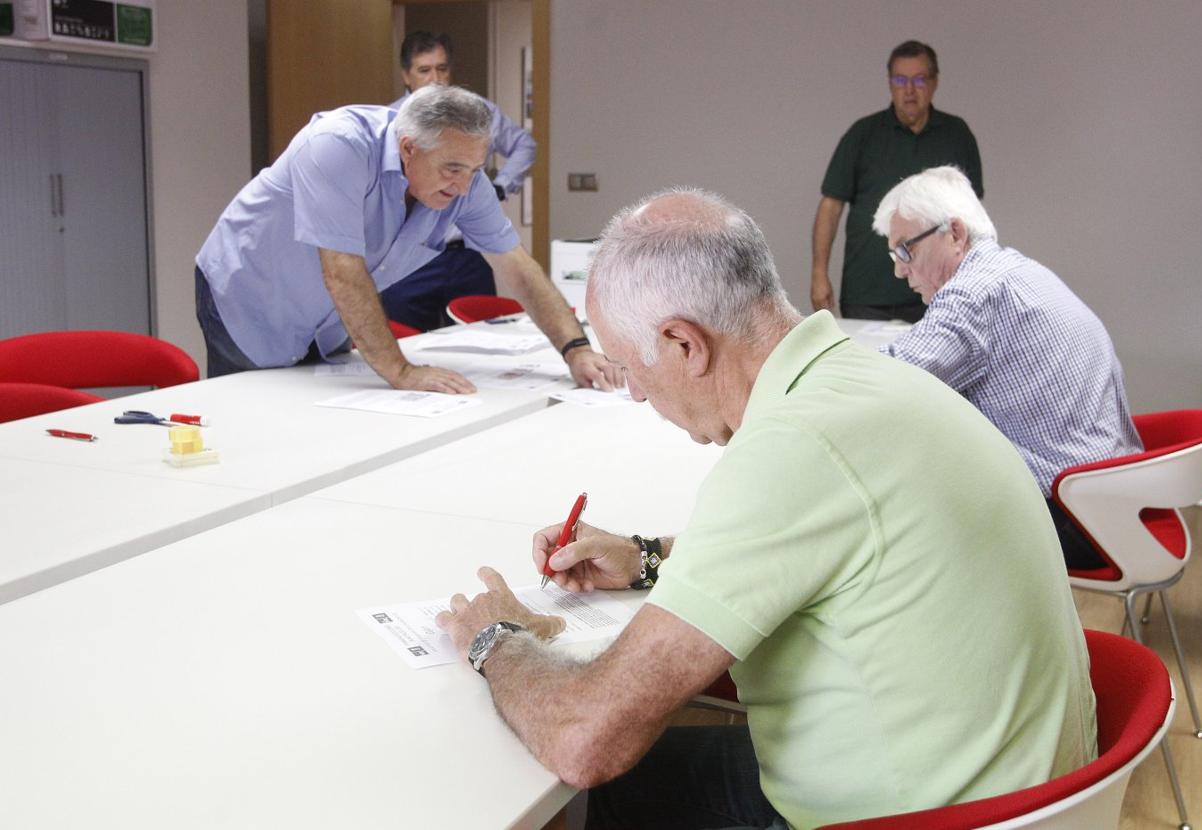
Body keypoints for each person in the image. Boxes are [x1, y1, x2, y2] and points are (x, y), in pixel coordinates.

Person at [434, 188, 1096, 829]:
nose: (635, 393)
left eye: (632, 366)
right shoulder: (862, 382)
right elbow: (820, 546)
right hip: (1019, 794)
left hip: (920, 816)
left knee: (605, 783)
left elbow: (586, 738)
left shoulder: (792, 449)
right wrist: (644, 559)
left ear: (684, 343)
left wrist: (497, 642)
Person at [195, 84, 619, 393]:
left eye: (475, 169)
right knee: (253, 418)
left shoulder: (466, 183)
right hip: (249, 299)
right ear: (408, 148)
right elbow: (342, 271)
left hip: (324, 320)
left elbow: (516, 266)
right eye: (452, 168)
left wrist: (575, 348)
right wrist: (400, 371)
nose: (463, 185)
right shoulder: (336, 145)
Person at [874, 166, 1141, 570]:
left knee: (890, 501)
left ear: (955, 234)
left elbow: (883, 384)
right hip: (1115, 499)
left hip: (1072, 516)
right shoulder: (1016, 270)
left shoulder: (974, 291)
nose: (900, 269)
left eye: (906, 250)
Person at [811, 40, 982, 323]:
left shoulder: (956, 135)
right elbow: (830, 206)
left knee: (934, 369)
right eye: (900, 80)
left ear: (935, 82)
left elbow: (970, 220)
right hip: (868, 292)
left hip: (939, 290)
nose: (909, 90)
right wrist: (819, 273)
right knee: (869, 366)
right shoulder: (863, 134)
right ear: (890, 83)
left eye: (919, 79)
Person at [380, 31, 538, 332]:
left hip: (466, 253)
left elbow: (524, 145)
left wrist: (501, 185)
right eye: (424, 70)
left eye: (442, 69)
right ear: (407, 75)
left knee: (485, 337)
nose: (434, 79)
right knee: (405, 341)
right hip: (411, 255)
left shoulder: (477, 113)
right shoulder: (391, 120)